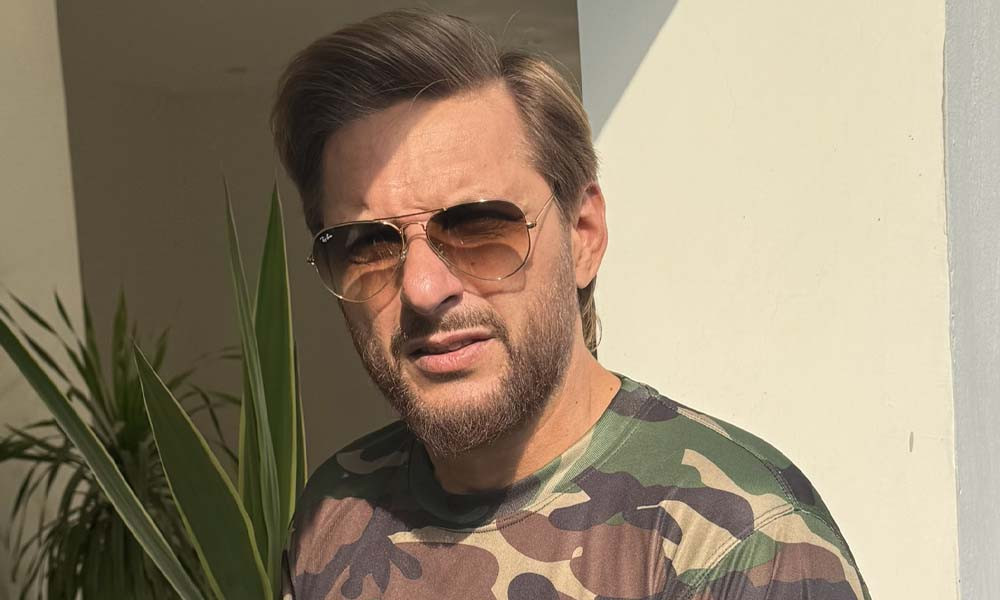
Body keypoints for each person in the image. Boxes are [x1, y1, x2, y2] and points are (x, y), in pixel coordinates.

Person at [271, 8, 870, 600]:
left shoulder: (737, 542)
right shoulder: (335, 515)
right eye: (368, 244)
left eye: (479, 225)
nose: (423, 289)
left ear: (583, 235)